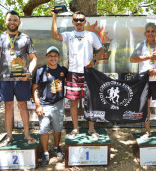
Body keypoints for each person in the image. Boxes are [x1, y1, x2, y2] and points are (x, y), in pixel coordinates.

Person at [51, 10, 104, 139]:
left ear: (85, 21)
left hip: (89, 73)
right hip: (73, 73)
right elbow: (55, 36)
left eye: (81, 20)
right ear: (73, 22)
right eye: (76, 20)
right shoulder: (69, 34)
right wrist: (54, 17)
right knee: (73, 103)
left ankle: (91, 129)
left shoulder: (91, 35)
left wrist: (94, 60)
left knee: (90, 101)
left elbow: (101, 50)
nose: (79, 22)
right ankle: (75, 129)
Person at [0, 9, 37, 146]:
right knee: (8, 106)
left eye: (15, 20)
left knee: (23, 106)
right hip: (5, 79)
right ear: (5, 21)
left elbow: (33, 58)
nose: (12, 22)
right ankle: (9, 136)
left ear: (19, 22)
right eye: (10, 19)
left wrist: (29, 72)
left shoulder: (26, 38)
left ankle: (27, 134)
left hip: (21, 79)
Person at [130, 22, 156, 141]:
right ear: (144, 33)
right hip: (144, 80)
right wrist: (149, 57)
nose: (150, 33)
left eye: (152, 31)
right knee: (146, 106)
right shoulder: (141, 45)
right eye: (148, 31)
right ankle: (147, 132)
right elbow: (132, 59)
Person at [32, 46, 68, 166]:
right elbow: (34, 89)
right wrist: (37, 105)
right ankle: (46, 153)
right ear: (46, 57)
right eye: (50, 56)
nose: (53, 58)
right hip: (44, 104)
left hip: (59, 103)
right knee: (44, 129)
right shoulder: (40, 70)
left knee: (58, 128)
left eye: (55, 56)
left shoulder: (63, 70)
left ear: (59, 57)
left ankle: (57, 148)